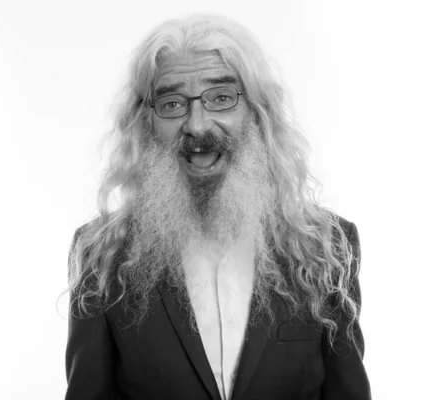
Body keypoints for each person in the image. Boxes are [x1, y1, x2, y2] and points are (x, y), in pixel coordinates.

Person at [64, 14, 371, 400]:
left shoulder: (326, 246)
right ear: (145, 121)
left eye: (221, 98)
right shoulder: (100, 255)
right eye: (172, 103)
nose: (197, 125)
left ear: (258, 112)